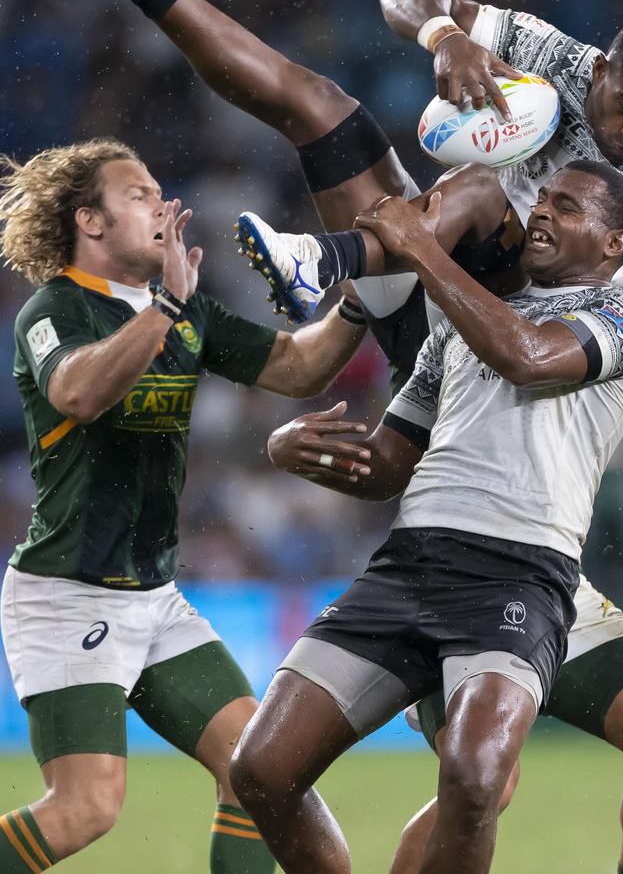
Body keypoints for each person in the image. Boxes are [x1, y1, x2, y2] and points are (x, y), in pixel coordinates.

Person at [57, 0, 623, 871]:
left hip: (507, 441)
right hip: (447, 352)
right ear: (604, 74)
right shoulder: (551, 74)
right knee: (329, 111)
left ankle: (342, 258)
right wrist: (446, 33)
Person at [227, 161, 623, 874]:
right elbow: (388, 466)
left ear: (615, 243)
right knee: (260, 768)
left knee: (474, 777)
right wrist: (295, 449)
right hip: (408, 565)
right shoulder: (455, 330)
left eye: (568, 205)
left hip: (517, 575)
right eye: (543, 200)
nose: (544, 213)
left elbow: (530, 357)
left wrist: (420, 250)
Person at [0, 137, 368, 874]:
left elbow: (298, 367)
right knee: (85, 810)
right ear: (90, 222)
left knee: (262, 776)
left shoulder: (184, 313)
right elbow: (78, 391)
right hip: (69, 596)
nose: (164, 206)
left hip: (156, 598)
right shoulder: (54, 310)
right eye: (138, 194)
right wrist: (167, 303)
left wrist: (368, 299)